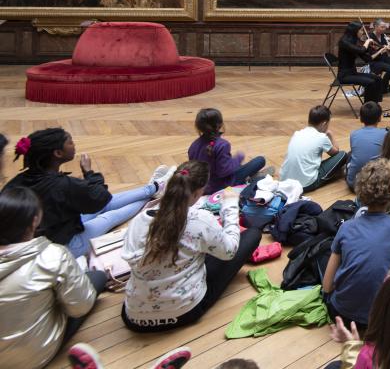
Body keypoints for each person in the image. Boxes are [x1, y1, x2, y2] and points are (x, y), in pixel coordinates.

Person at [121, 160, 261, 332]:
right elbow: (229, 251)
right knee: (252, 235)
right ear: (197, 193)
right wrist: (230, 206)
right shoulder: (200, 220)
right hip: (185, 311)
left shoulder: (139, 221)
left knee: (197, 248)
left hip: (134, 317)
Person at [5, 128, 165, 259]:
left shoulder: (16, 182)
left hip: (56, 229)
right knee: (109, 216)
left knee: (105, 207)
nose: (74, 145)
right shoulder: (62, 185)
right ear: (58, 153)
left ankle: (154, 188)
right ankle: (153, 195)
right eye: (70, 142)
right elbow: (101, 198)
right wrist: (89, 172)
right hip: (63, 246)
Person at [0, 187, 106, 368]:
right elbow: (81, 306)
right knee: (97, 277)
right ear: (34, 220)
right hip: (31, 357)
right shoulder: (52, 255)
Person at [323, 159, 390, 332]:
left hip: (341, 314)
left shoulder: (346, 227)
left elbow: (327, 286)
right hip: (380, 318)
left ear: (360, 194)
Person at [188, 108, 266, 195]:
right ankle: (252, 178)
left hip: (202, 187)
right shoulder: (222, 145)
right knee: (260, 160)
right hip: (221, 186)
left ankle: (249, 175)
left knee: (237, 165)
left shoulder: (193, 145)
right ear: (220, 124)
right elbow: (224, 172)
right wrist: (238, 158)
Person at [280, 105, 348, 192]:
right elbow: (336, 152)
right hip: (306, 184)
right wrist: (330, 134)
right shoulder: (322, 137)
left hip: (284, 181)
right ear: (324, 124)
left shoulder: (297, 133)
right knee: (343, 155)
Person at [337, 21, 384, 104]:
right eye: (361, 30)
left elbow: (367, 59)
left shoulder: (353, 42)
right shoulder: (344, 42)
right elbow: (361, 50)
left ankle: (375, 104)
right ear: (355, 31)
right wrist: (366, 43)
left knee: (378, 79)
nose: (363, 33)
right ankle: (368, 107)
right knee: (371, 83)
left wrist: (378, 50)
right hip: (344, 75)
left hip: (353, 73)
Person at [346, 101, 387, 192]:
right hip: (376, 185)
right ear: (379, 118)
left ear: (361, 119)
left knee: (350, 154)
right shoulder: (385, 134)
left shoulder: (354, 134)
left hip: (354, 184)